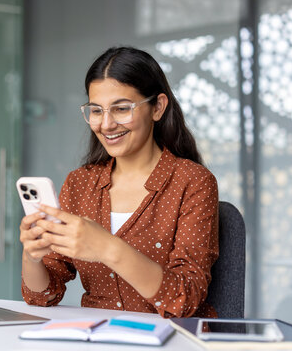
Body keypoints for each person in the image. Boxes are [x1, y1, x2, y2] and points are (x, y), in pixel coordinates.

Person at [19, 46, 219, 318]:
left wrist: (105, 246)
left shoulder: (193, 182)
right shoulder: (80, 184)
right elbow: (43, 295)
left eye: (122, 109)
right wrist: (32, 256)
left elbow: (185, 299)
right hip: (98, 338)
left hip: (169, 340)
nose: (106, 124)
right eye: (97, 111)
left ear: (157, 107)